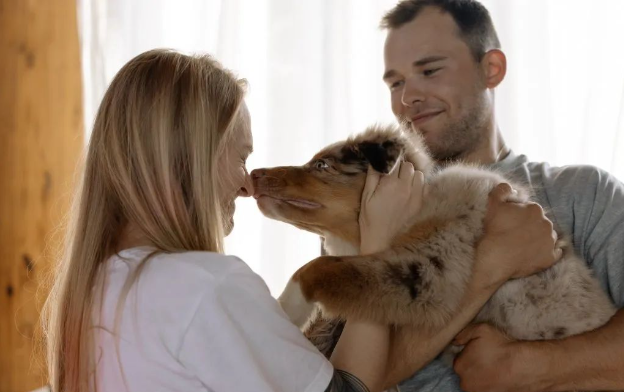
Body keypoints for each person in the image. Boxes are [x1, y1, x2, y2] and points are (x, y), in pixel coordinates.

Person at [41, 49, 557, 392]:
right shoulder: (204, 287)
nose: (247, 184)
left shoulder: (101, 287)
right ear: (189, 159)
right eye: (238, 157)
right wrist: (378, 251)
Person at [379, 1, 624, 391]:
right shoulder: (376, 215)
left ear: (491, 68)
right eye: (395, 82)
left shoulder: (585, 194)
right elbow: (341, 379)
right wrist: (492, 267)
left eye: (429, 70)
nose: (407, 97)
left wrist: (527, 366)